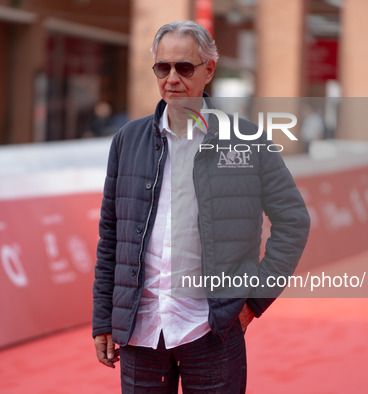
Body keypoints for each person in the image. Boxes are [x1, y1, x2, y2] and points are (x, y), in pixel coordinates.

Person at [92, 21, 310, 393]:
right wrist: (103, 320)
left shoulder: (247, 141)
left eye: (185, 67)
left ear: (209, 70)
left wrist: (253, 301)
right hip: (141, 333)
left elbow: (293, 221)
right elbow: (111, 235)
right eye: (163, 67)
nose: (172, 78)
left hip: (212, 333)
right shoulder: (128, 141)